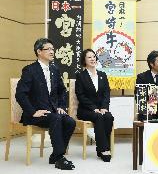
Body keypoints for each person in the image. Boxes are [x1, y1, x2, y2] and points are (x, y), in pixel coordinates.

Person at [16, 38, 76, 170]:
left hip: (52, 112)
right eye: (48, 49)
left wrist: (61, 106)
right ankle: (59, 158)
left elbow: (62, 91)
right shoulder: (30, 70)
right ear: (39, 52)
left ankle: (55, 155)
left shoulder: (54, 69)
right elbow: (20, 94)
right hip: (35, 114)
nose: (52, 51)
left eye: (53, 49)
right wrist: (33, 111)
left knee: (70, 122)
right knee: (55, 119)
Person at [75, 49, 114, 162]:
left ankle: (102, 149)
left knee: (108, 116)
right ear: (84, 60)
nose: (92, 59)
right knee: (98, 117)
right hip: (86, 110)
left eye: (94, 56)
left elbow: (106, 93)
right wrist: (94, 108)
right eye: (89, 57)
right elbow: (80, 96)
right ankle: (103, 149)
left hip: (101, 109)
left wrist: (104, 108)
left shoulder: (102, 74)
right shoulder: (81, 76)